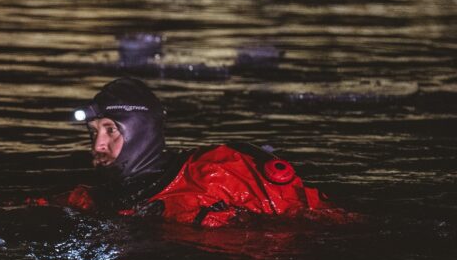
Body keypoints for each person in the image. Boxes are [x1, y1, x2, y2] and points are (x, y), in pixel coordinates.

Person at [62, 77, 353, 227]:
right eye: (93, 132)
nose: (98, 145)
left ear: (139, 131)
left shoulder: (218, 172)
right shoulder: (90, 200)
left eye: (110, 130)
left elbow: (323, 220)